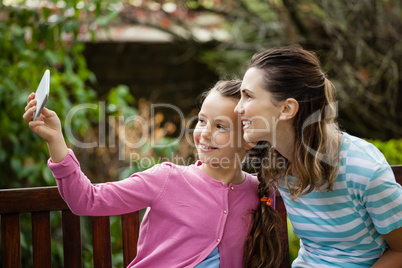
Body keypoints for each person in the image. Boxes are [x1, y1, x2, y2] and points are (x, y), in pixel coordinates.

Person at [23, 80, 281, 267]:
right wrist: (56, 140)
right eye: (202, 121)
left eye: (220, 126)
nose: (204, 133)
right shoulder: (166, 179)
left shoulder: (259, 192)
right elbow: (86, 200)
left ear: (248, 138)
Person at [235, 46, 402, 267]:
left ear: (286, 109)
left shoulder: (363, 169)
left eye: (248, 96)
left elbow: (400, 250)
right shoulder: (275, 164)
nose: (238, 108)